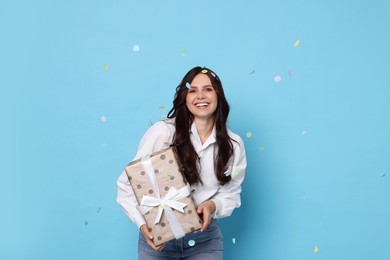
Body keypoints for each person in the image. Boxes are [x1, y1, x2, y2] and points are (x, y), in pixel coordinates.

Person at [116, 66, 247, 259]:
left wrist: (212, 205)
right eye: (192, 90)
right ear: (184, 97)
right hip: (159, 236)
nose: (200, 96)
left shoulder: (233, 144)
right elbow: (127, 184)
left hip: (205, 240)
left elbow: (231, 192)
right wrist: (142, 225)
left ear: (219, 95)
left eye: (208, 89)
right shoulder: (163, 133)